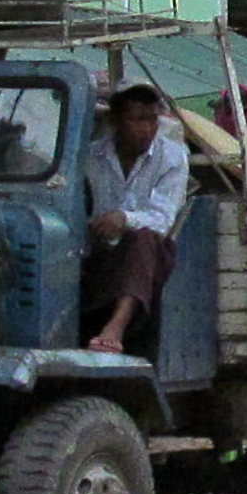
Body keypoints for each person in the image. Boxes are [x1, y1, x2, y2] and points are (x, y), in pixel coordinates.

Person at [82, 83, 189, 355]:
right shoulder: (91, 156)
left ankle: (115, 328)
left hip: (151, 257)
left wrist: (123, 218)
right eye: (137, 120)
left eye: (152, 119)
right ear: (116, 120)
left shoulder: (172, 157)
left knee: (143, 239)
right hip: (98, 251)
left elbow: (162, 218)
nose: (146, 129)